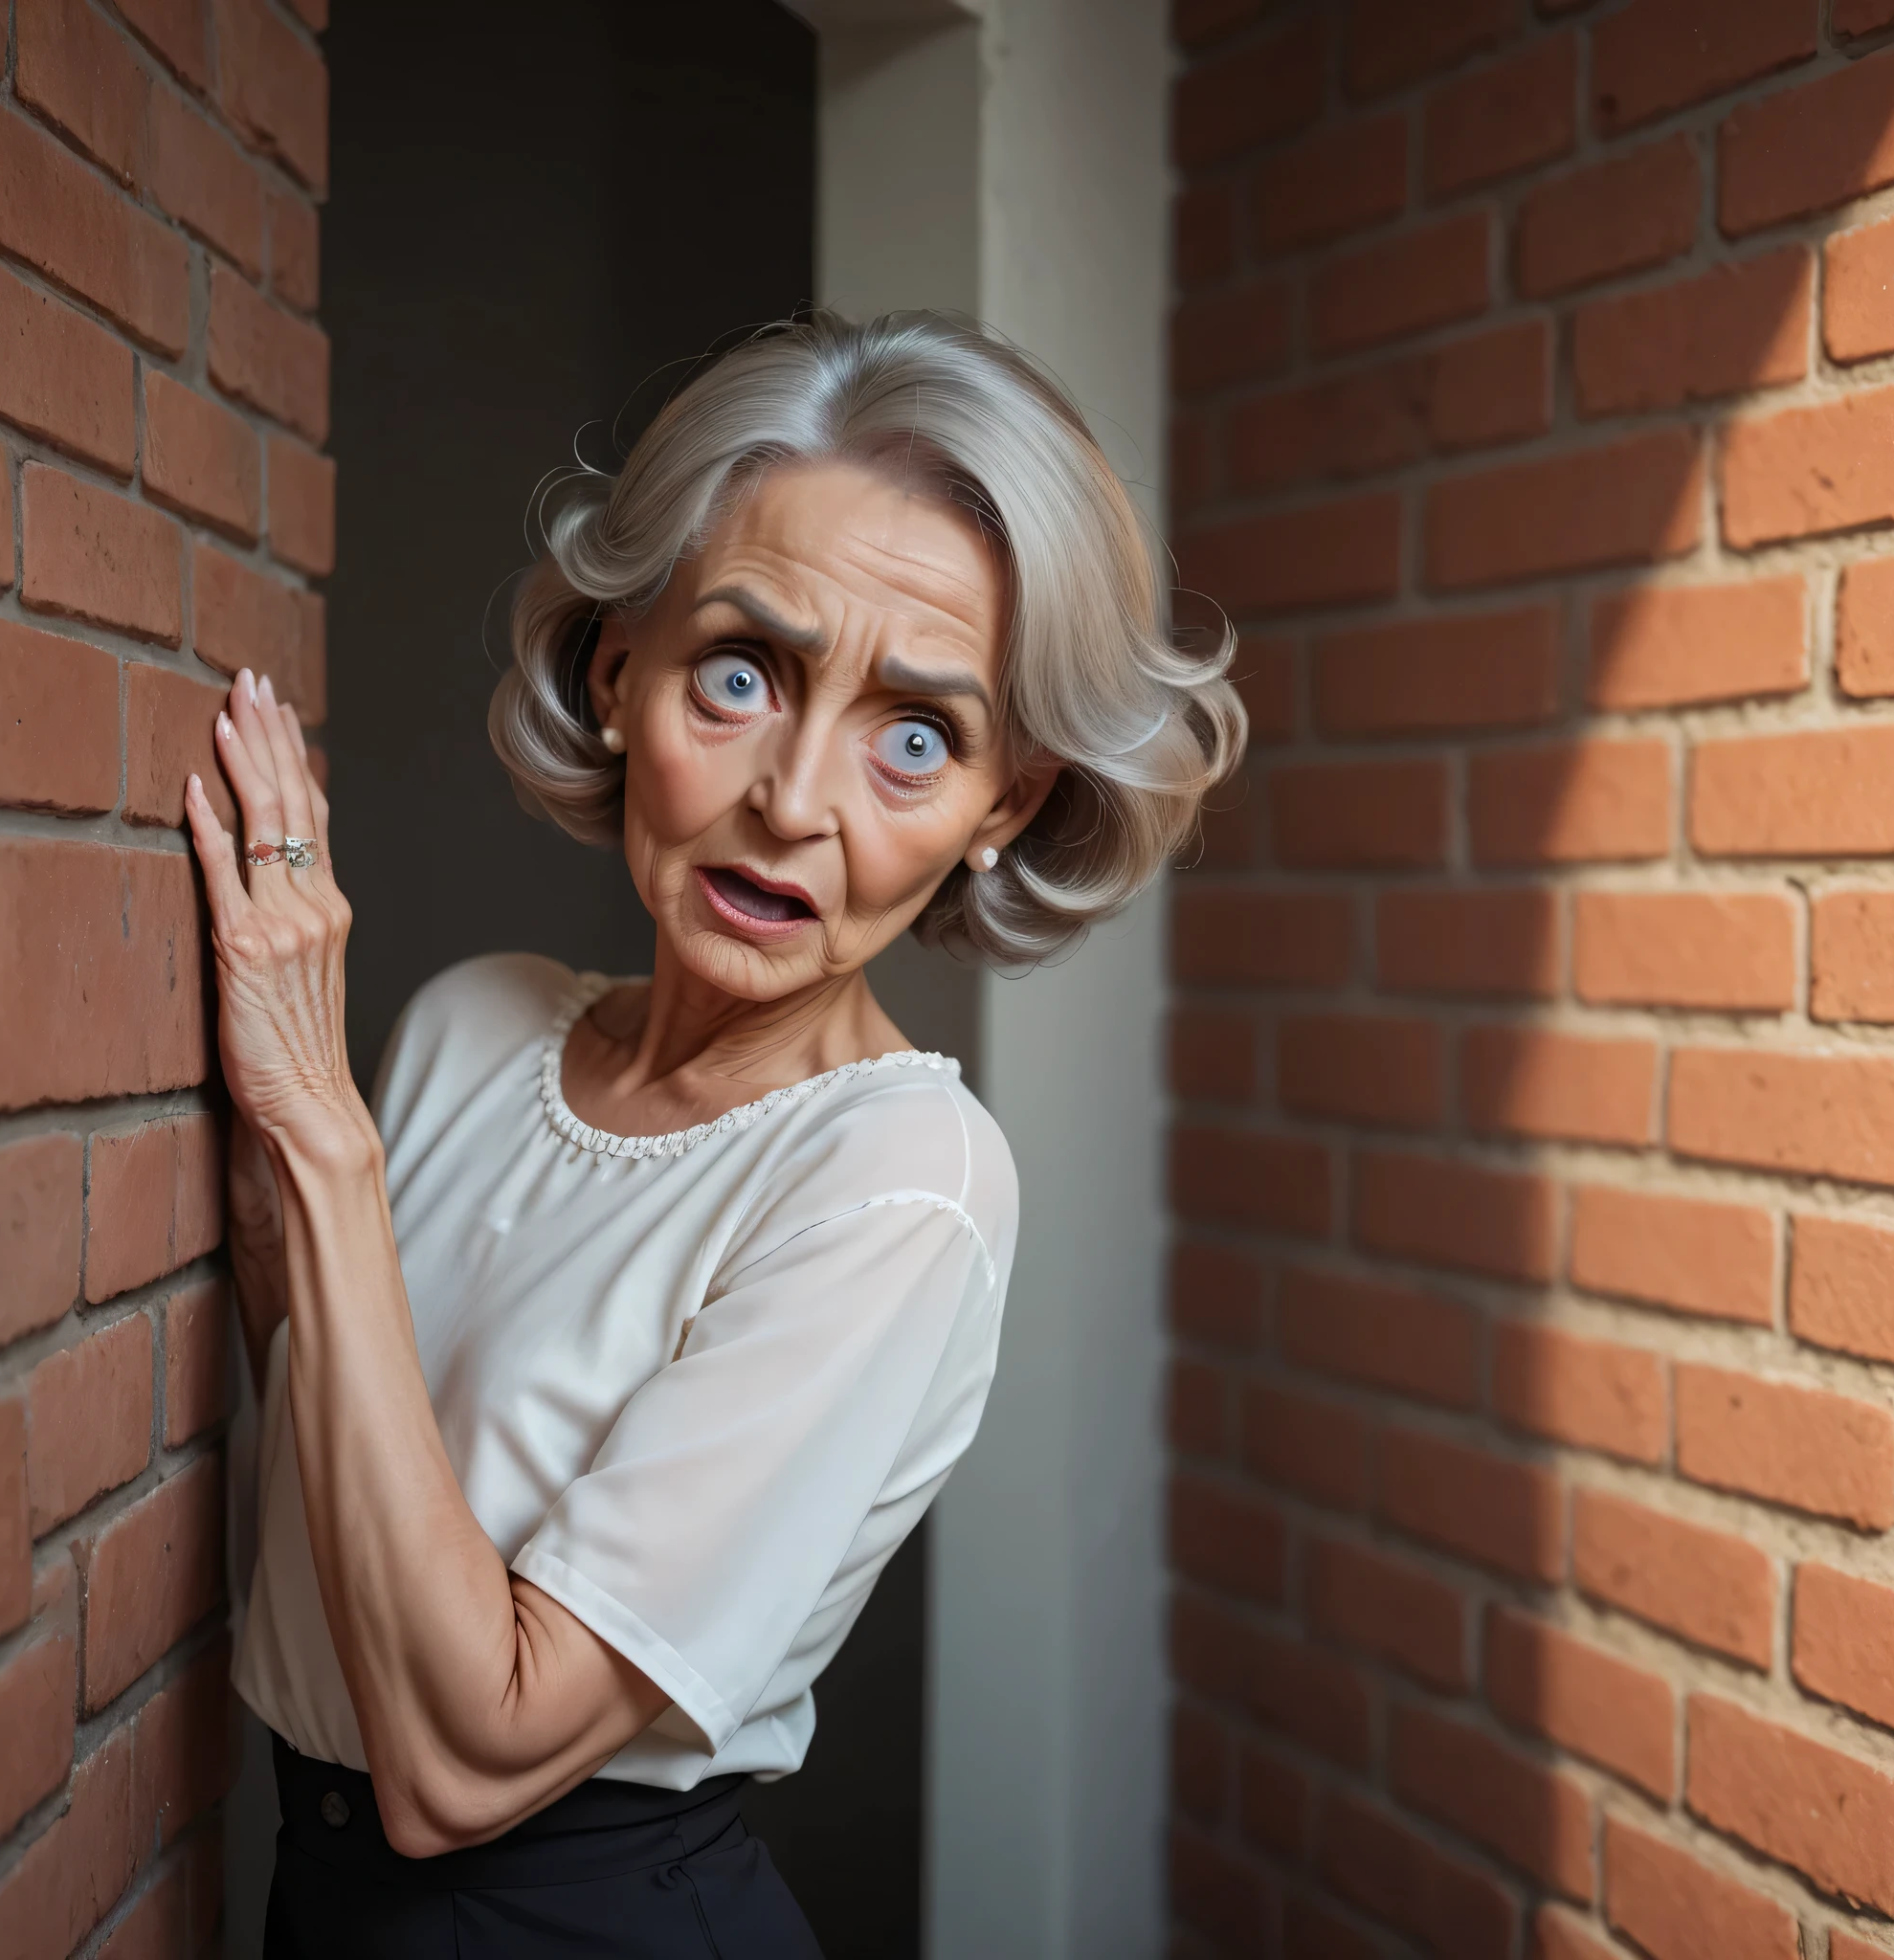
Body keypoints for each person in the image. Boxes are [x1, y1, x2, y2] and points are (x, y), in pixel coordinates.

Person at [183, 312, 1241, 1957]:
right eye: (740, 675)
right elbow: (341, 1454)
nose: (797, 798)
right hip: (311, 1900)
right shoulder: (473, 1023)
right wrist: (266, 1147)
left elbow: (468, 1763)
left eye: (918, 738)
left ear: (1005, 807)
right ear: (620, 673)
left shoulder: (902, 1182)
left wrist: (322, 1134)